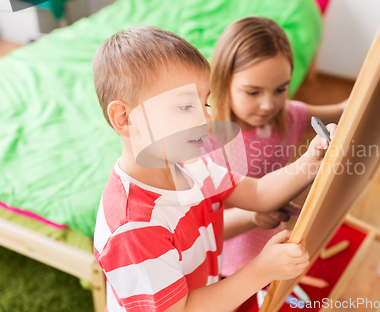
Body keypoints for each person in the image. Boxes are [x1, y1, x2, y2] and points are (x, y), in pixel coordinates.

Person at [92, 25, 335, 312]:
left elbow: (258, 192)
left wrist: (314, 158)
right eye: (185, 107)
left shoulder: (190, 166)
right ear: (125, 118)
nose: (207, 119)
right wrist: (262, 270)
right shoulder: (133, 227)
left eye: (204, 102)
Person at [210, 16, 347, 277]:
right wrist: (251, 217)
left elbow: (343, 111)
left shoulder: (287, 116)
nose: (268, 105)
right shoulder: (208, 143)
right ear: (223, 79)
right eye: (253, 92)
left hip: (274, 252)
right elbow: (200, 228)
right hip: (227, 268)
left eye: (280, 89)